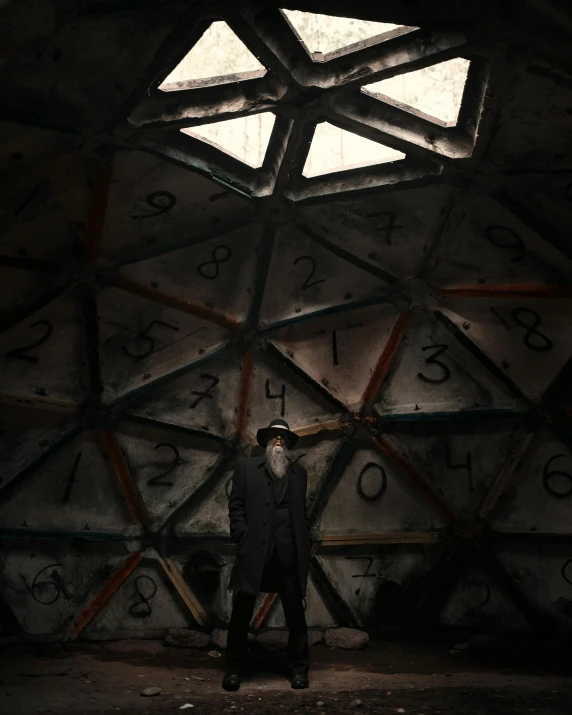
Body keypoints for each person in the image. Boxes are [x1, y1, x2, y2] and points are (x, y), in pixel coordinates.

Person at [223, 418, 312, 691]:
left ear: (287, 444)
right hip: (255, 553)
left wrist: (304, 542)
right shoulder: (246, 468)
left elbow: (301, 513)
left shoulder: (299, 474)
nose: (278, 441)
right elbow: (236, 506)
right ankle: (234, 670)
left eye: (283, 438)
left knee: (295, 614)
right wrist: (242, 536)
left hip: (288, 553)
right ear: (265, 441)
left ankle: (299, 670)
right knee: (241, 613)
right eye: (274, 436)